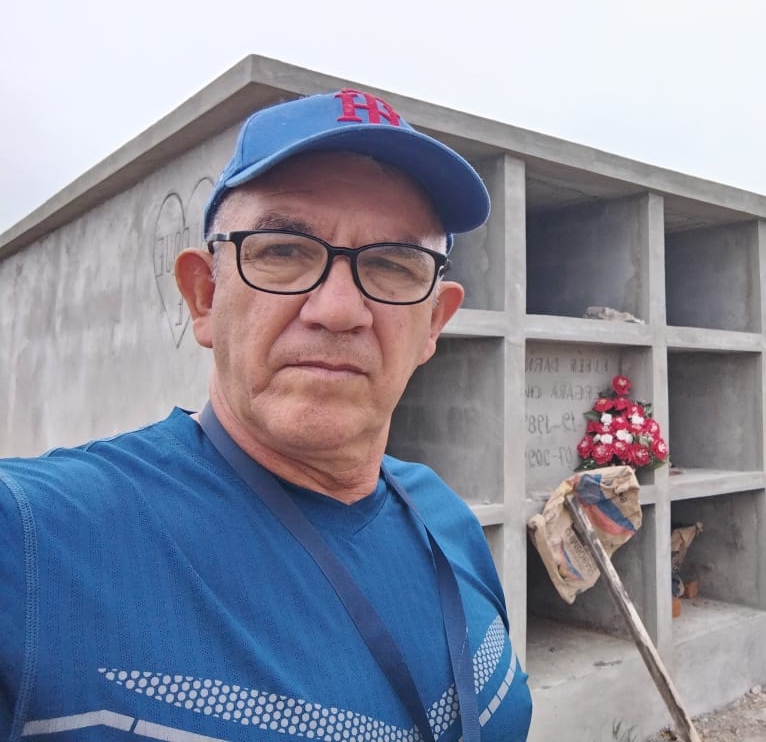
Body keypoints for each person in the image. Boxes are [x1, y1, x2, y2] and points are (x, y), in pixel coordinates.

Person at [0, 89, 533, 742]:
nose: (339, 310)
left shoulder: (445, 520)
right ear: (204, 295)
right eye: (283, 251)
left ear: (432, 325)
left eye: (393, 265)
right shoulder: (41, 542)